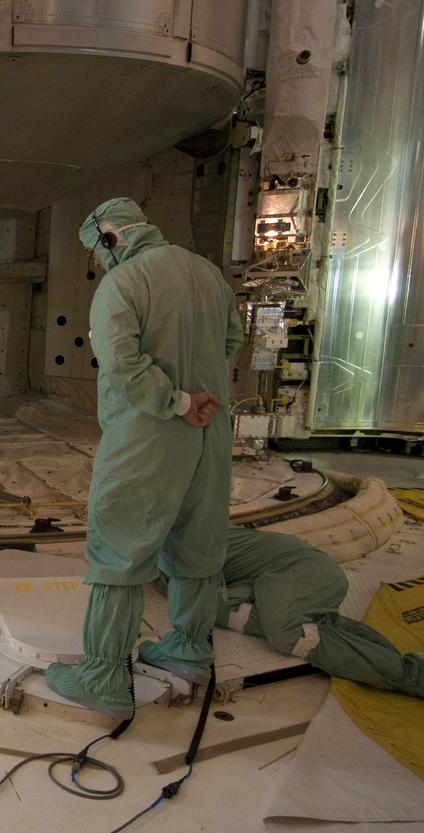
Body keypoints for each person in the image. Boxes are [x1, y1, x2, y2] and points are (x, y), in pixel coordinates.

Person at [44, 197, 243, 717]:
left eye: (97, 251)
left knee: (121, 549)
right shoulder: (208, 274)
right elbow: (231, 339)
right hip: (212, 431)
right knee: (198, 543)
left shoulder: (123, 282)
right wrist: (197, 391)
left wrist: (177, 401)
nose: (98, 262)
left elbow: (121, 362)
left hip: (150, 434)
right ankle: (189, 650)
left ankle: (104, 677)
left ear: (110, 237)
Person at [159, 526, 422, 698]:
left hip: (301, 569)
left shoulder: (187, 543)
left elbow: (195, 592)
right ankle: (383, 656)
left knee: (288, 634)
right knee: (309, 626)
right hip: (284, 577)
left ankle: (412, 676)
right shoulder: (175, 546)